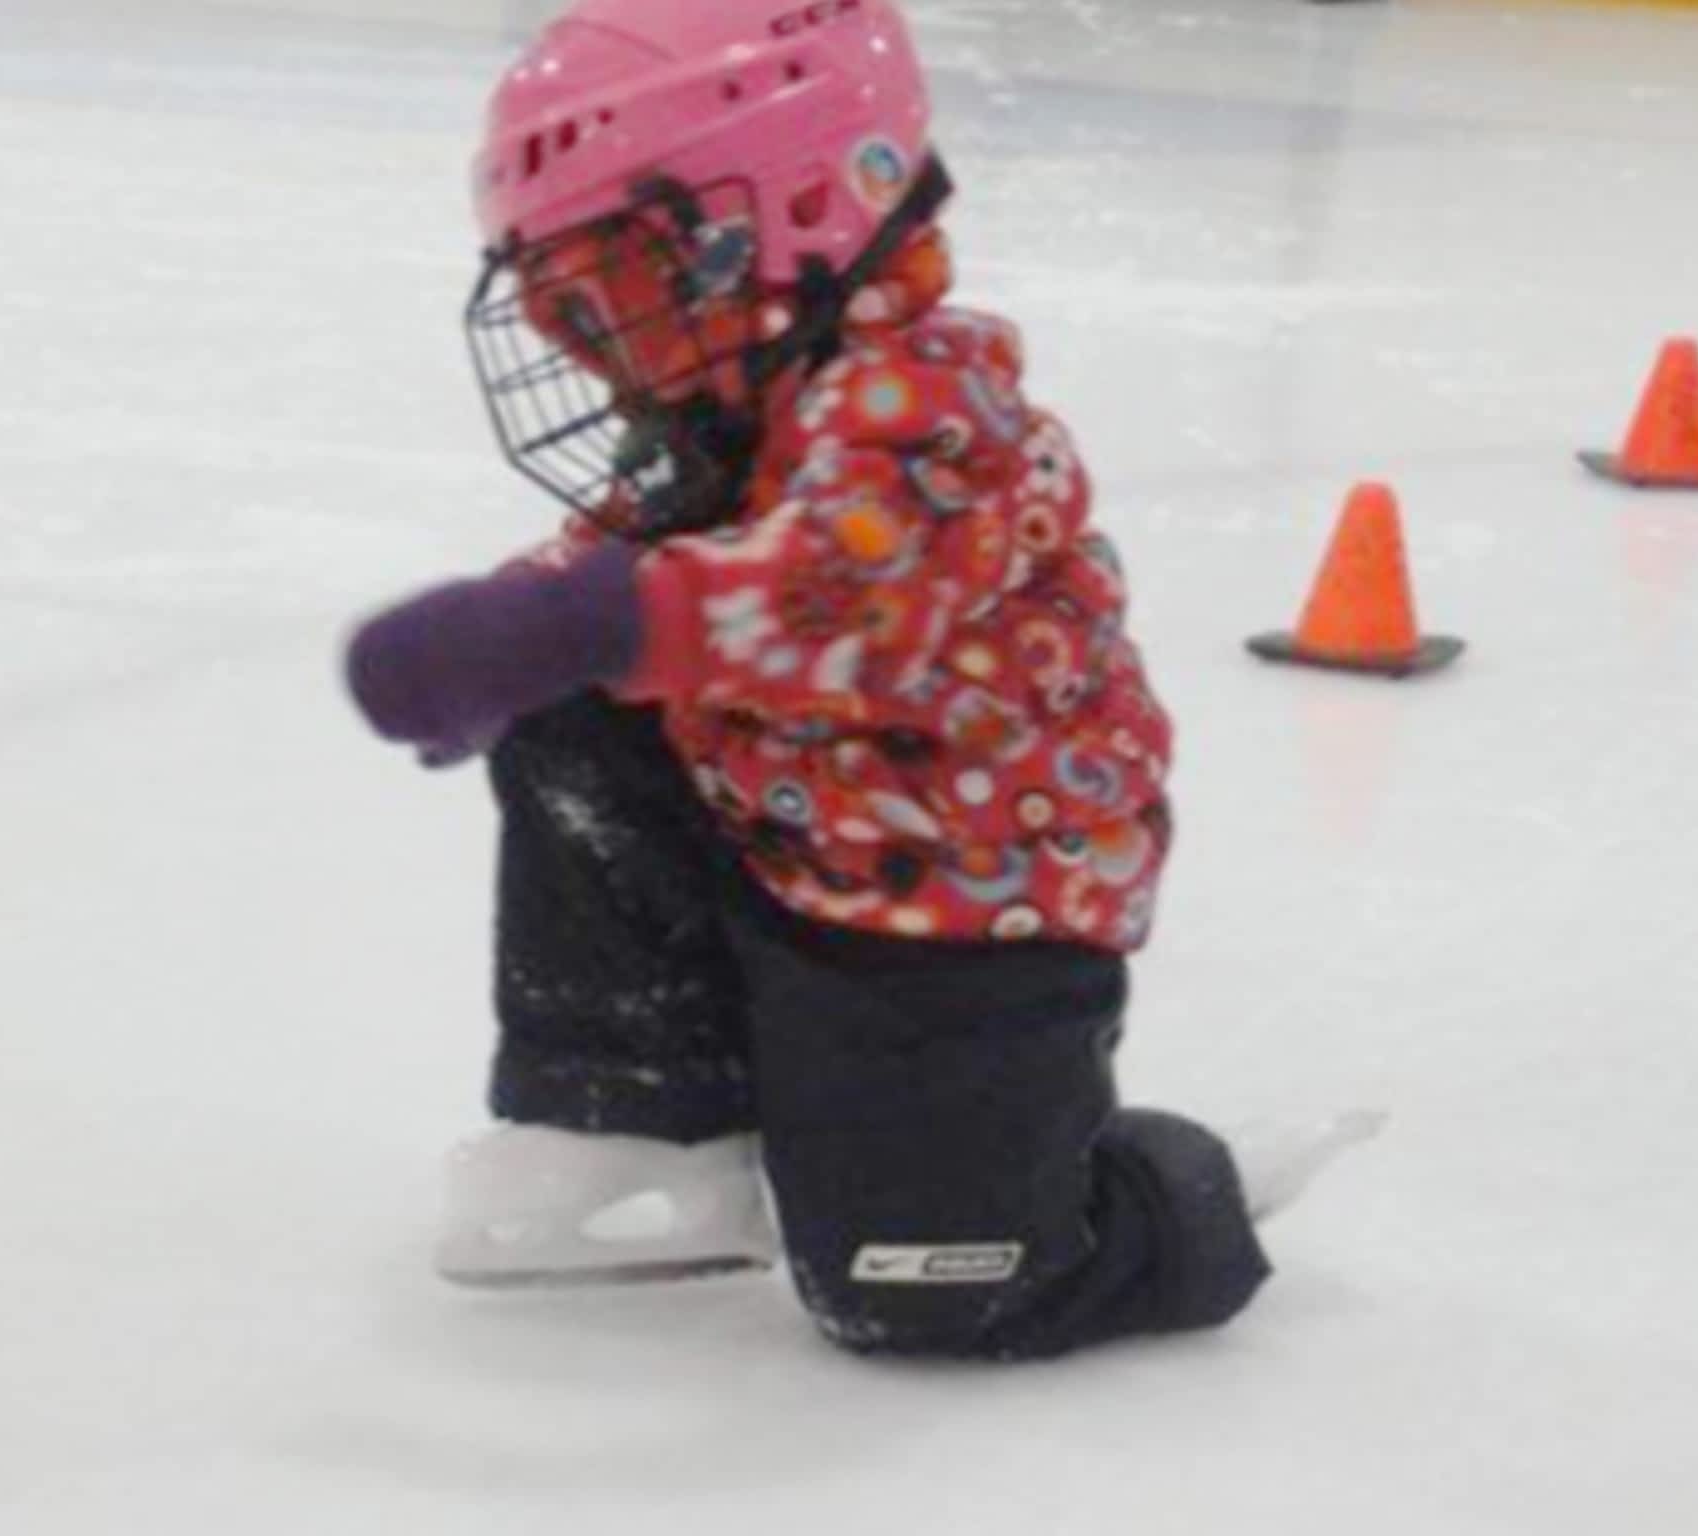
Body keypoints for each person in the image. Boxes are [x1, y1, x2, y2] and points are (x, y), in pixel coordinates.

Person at [345, 0, 1369, 1360]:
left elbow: (844, 594)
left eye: (607, 284)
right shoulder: (719, 412)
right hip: (779, 850)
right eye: (553, 296)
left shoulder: (928, 405)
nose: (577, 334)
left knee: (917, 1286)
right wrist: (506, 642)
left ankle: (1150, 1193)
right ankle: (643, 1121)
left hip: (962, 921)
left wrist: (568, 622)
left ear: (774, 220)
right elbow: (619, 596)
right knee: (573, 697)